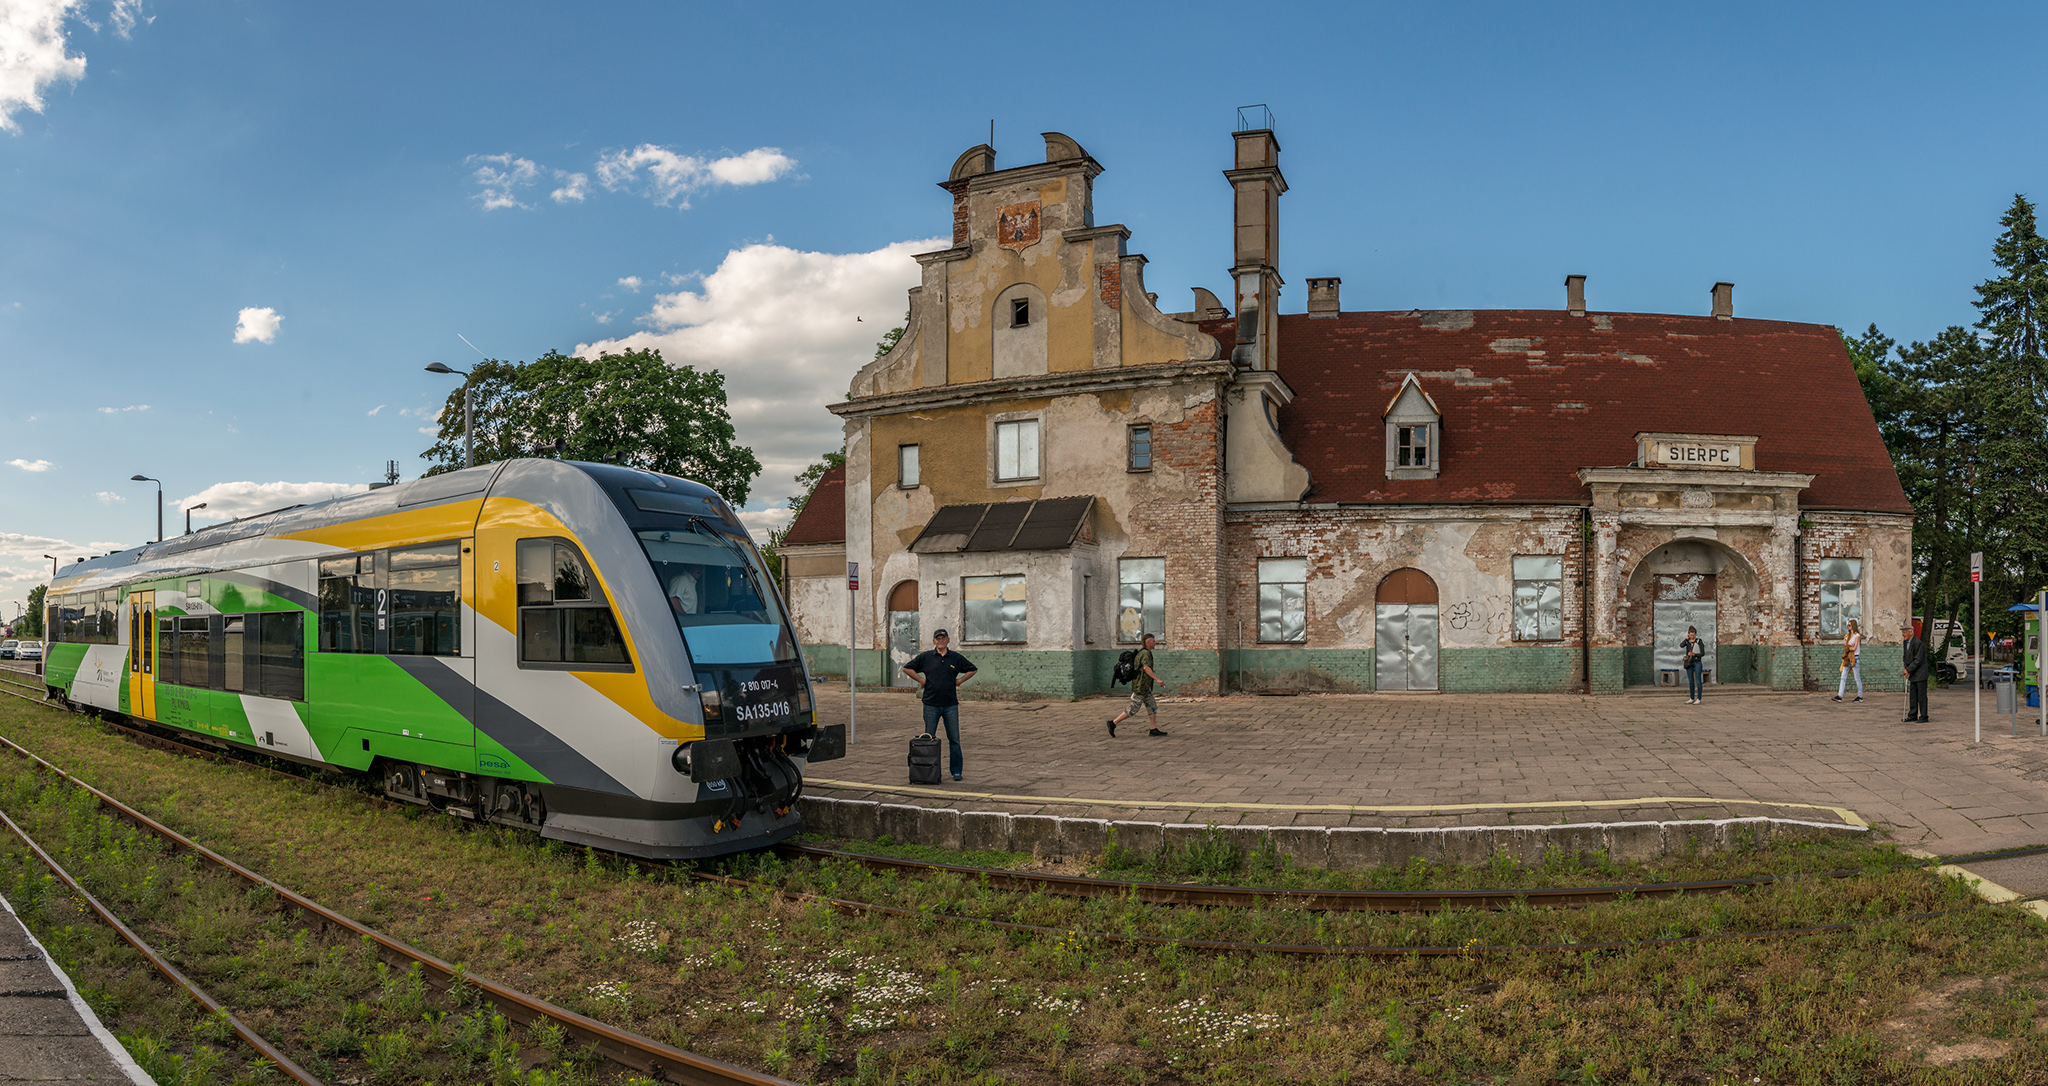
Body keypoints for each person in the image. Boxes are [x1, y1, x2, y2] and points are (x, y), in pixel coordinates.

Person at [902, 629, 977, 781]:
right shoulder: (926, 657)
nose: (941, 641)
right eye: (938, 638)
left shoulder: (955, 658)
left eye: (943, 638)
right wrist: (921, 681)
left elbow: (973, 669)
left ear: (948, 640)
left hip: (950, 705)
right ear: (934, 641)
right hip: (931, 704)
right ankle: (928, 771)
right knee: (929, 739)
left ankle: (956, 771)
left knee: (954, 739)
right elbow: (907, 668)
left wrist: (960, 681)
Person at [1107, 632, 1167, 737]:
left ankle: (1153, 729)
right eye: (1153, 641)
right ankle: (1113, 723)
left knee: (1152, 706)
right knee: (1134, 707)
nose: (1155, 643)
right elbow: (1146, 668)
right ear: (1148, 642)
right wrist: (1157, 679)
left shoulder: (1143, 652)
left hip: (1145, 686)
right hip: (1141, 686)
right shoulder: (1145, 654)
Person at [1902, 621, 1930, 723]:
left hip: (1920, 673)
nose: (1903, 634)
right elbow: (1905, 657)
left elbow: (1918, 660)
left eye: (1904, 632)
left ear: (1911, 632)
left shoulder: (1917, 643)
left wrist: (1908, 669)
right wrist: (1906, 670)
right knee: (1913, 695)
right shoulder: (1905, 643)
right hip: (1913, 673)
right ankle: (1912, 714)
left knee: (1921, 696)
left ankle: (1924, 716)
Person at [1834, 619, 1864, 702]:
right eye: (1848, 625)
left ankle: (1860, 696)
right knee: (1843, 677)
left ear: (1853, 626)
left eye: (1849, 625)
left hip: (1855, 658)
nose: (1848, 627)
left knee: (1857, 678)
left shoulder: (1857, 635)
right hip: (1847, 658)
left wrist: (1850, 647)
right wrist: (1850, 647)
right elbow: (1845, 648)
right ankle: (1839, 696)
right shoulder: (1847, 636)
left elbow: (1854, 648)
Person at [1679, 625, 1706, 705]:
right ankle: (1691, 698)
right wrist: (1686, 639)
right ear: (1688, 634)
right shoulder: (1687, 642)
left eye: (1693, 635)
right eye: (1690, 635)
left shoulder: (1699, 641)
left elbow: (1702, 653)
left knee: (1698, 681)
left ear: (1695, 634)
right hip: (1689, 663)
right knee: (1690, 681)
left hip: (1697, 662)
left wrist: (1695, 654)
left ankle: (1699, 698)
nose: (1692, 636)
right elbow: (1681, 645)